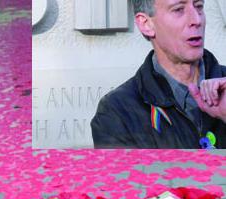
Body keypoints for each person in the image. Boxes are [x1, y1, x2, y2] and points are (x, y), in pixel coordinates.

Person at [91, 0, 226, 148]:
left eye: (199, 7)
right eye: (179, 9)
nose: (197, 20)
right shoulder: (117, 112)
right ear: (146, 24)